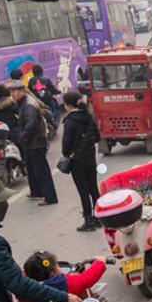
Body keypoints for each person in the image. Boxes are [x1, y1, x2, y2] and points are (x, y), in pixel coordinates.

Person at [10, 80, 58, 205]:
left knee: (42, 170)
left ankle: (50, 197)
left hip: (36, 142)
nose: (12, 94)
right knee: (31, 168)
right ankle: (36, 191)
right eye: (11, 92)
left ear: (22, 91)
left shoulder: (28, 105)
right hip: (31, 142)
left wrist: (23, 136)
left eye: (14, 91)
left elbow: (31, 123)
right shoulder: (23, 103)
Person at [60, 91, 101, 231]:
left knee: (83, 191)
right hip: (90, 157)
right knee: (94, 188)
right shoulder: (88, 116)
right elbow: (97, 137)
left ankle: (88, 221)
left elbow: (66, 145)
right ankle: (99, 217)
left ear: (68, 105)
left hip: (77, 161)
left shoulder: (70, 121)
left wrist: (68, 153)